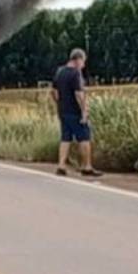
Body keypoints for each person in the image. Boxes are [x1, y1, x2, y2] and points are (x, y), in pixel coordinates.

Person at [50, 48, 100, 177]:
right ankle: (87, 166)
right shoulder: (75, 74)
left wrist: (59, 103)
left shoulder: (60, 71)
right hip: (75, 111)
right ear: (78, 59)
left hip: (63, 111)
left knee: (65, 138)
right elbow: (79, 94)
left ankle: (61, 165)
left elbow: (54, 91)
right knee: (84, 137)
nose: (83, 65)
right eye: (83, 62)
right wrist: (84, 111)